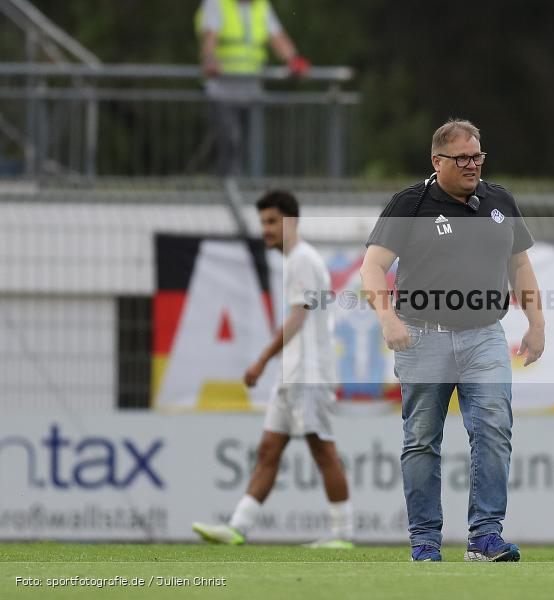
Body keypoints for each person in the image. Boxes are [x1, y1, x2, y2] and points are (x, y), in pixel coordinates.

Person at [359, 119, 545, 562]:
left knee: (494, 430)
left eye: (477, 156)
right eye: (461, 158)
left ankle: (485, 536)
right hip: (423, 336)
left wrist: (536, 322)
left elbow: (520, 266)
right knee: (422, 440)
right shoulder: (411, 203)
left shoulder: (500, 201)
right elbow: (371, 268)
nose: (472, 165)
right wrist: (387, 318)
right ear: (437, 160)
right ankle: (425, 540)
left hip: (485, 337)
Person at [193, 190, 353, 549]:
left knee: (322, 449)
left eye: (272, 221)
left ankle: (343, 535)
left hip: (309, 374)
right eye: (263, 222)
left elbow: (298, 317)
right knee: (268, 449)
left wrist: (262, 359)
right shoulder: (293, 260)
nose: (265, 229)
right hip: (291, 373)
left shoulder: (303, 260)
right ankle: (238, 527)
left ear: (291, 222)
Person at [195, 0, 311, 176]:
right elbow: (210, 35)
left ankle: (244, 183)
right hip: (223, 88)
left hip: (251, 87)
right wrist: (209, 58)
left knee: (250, 143)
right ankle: (228, 185)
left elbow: (277, 36)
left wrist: (293, 60)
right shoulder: (217, 3)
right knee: (229, 139)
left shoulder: (261, 6)